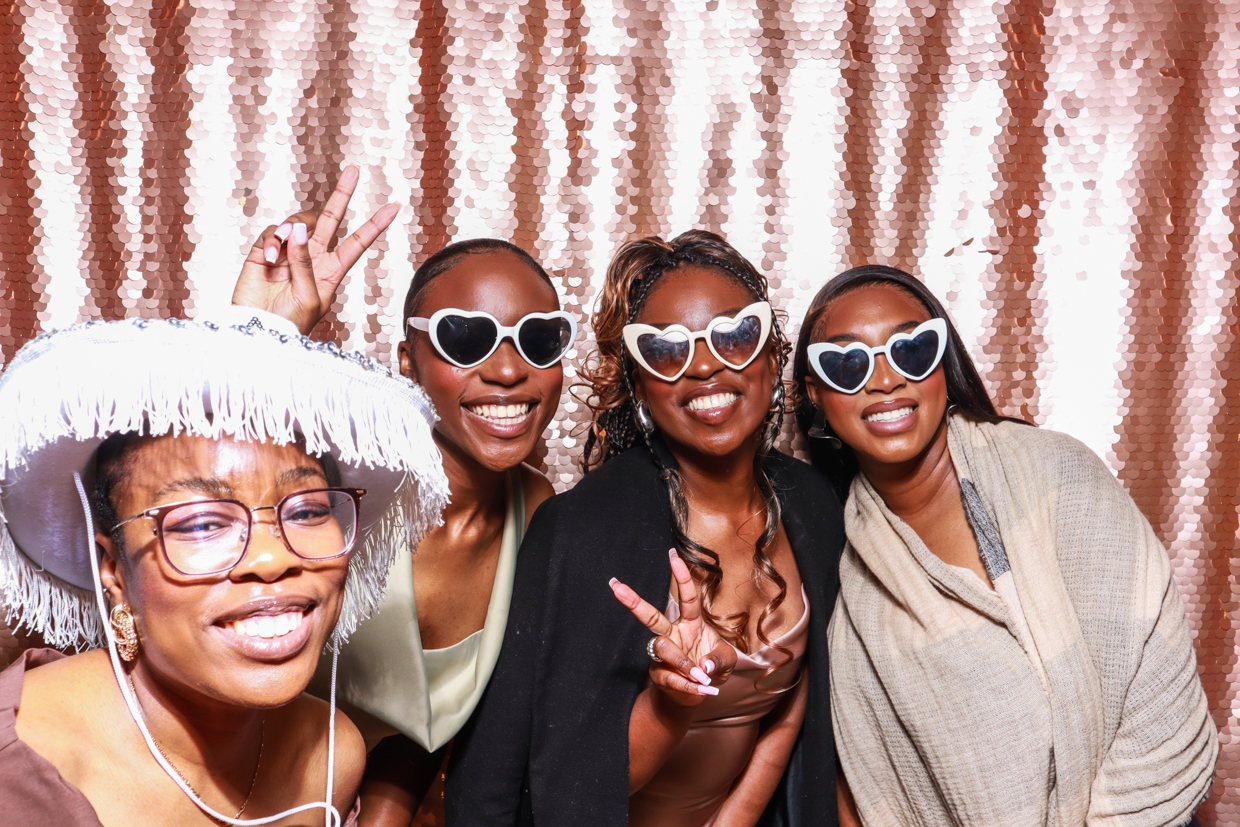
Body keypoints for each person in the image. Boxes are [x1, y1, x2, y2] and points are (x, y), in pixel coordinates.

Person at [793, 264, 1218, 827]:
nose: (885, 379)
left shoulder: (1056, 476)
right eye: (847, 364)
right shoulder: (848, 582)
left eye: (912, 350)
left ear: (943, 367)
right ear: (816, 395)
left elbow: (1155, 684)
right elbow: (867, 788)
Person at [445, 230, 844, 827]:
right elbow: (542, 782)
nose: (706, 365)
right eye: (666, 349)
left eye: (735, 335)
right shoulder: (584, 530)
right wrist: (670, 702)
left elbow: (803, 707)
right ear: (638, 386)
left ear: (771, 355)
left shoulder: (813, 503)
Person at [0, 310, 447, 825]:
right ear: (113, 570)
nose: (273, 558)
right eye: (200, 524)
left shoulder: (331, 755)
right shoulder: (22, 766)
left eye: (306, 511)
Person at [232, 174, 567, 824]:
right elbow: (184, 498)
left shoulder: (540, 513)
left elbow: (420, 714)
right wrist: (259, 335)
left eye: (539, 339)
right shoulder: (343, 485)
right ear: (407, 360)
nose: (506, 370)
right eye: (465, 339)